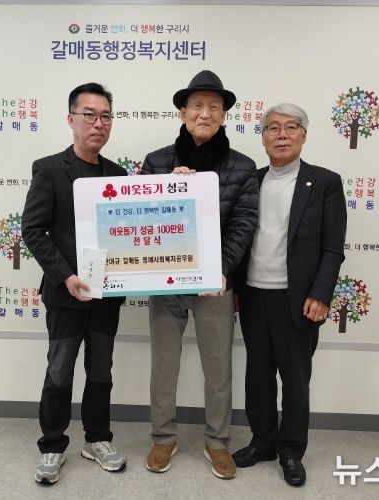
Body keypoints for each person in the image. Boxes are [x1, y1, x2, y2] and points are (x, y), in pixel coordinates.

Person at [141, 70, 259, 479]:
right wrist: (167, 191)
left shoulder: (243, 166)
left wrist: (220, 269)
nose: (204, 113)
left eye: (213, 107)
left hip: (215, 283)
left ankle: (218, 442)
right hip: (165, 279)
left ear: (224, 115)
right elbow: (140, 221)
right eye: (196, 106)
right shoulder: (157, 162)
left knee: (218, 366)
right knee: (164, 365)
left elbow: (244, 224)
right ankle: (163, 437)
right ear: (183, 112)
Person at [232, 103, 347, 487]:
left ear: (304, 135)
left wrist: (321, 294)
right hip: (253, 294)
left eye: (291, 127)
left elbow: (333, 247)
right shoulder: (252, 180)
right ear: (263, 137)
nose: (282, 134)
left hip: (297, 299)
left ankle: (291, 450)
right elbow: (238, 236)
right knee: (257, 375)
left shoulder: (325, 182)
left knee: (295, 379)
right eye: (273, 128)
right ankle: (263, 441)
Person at [21, 82, 127, 486]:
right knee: (60, 370)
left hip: (106, 296)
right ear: (71, 119)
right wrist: (65, 276)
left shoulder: (118, 175)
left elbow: (127, 234)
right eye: (90, 115)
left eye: (106, 116)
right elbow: (33, 230)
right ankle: (52, 445)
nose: (99, 124)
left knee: (101, 371)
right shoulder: (49, 169)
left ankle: (98, 439)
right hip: (66, 294)